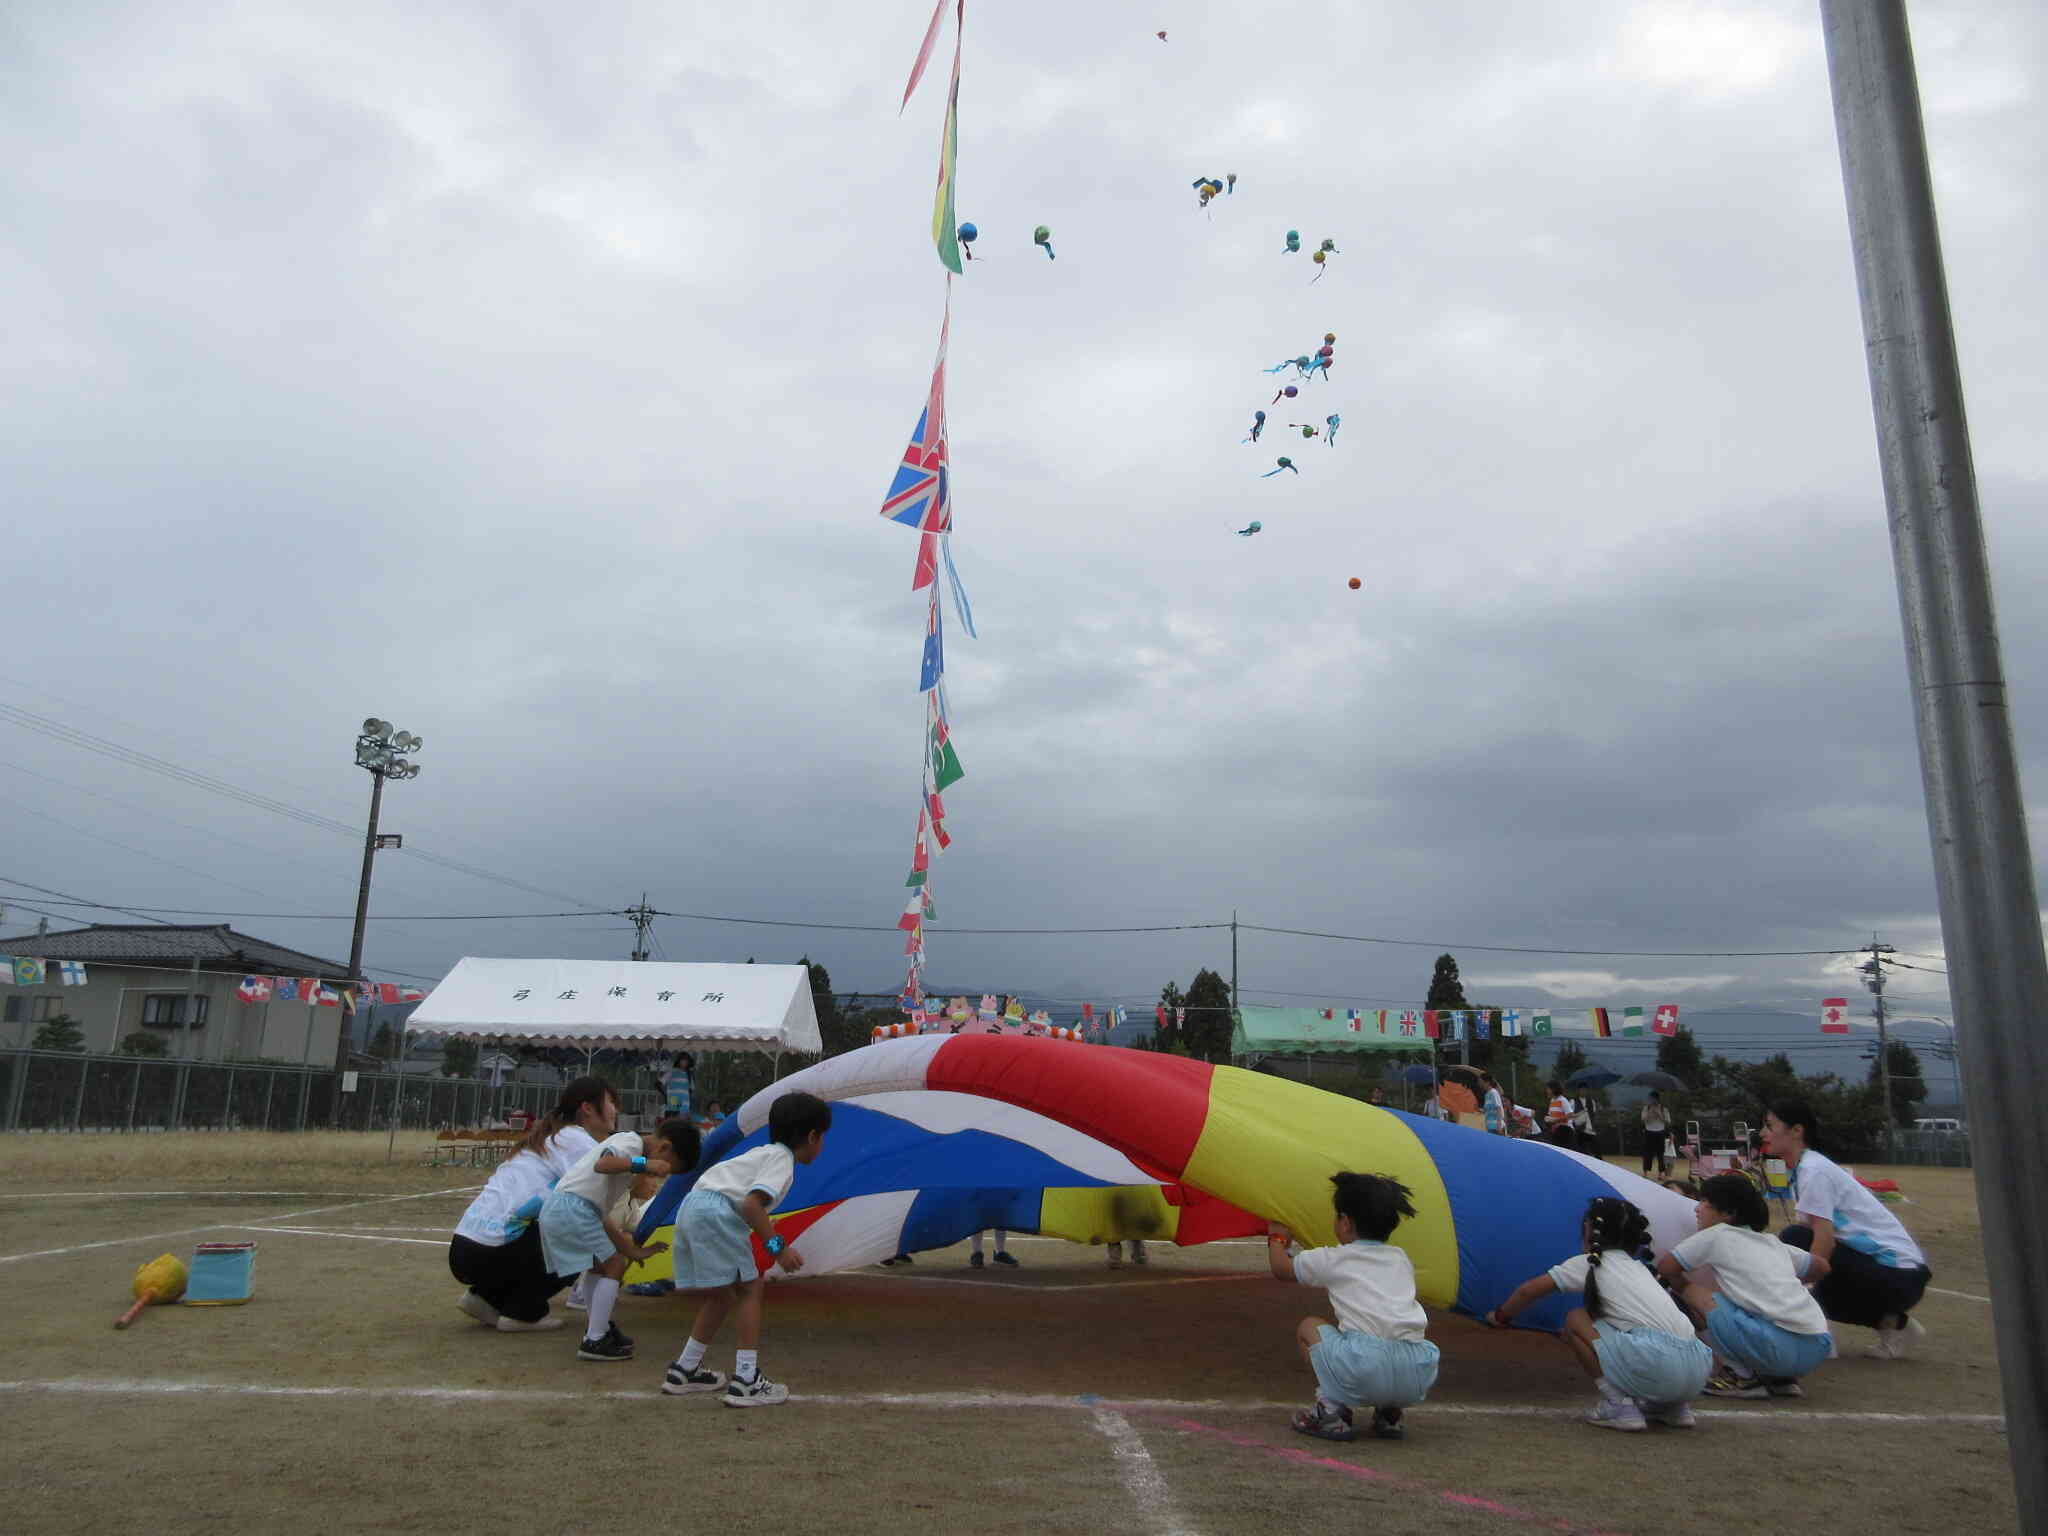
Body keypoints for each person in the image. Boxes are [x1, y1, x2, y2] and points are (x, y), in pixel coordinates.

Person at [662, 1091, 833, 1408]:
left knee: (723, 1294)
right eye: (823, 1137)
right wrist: (777, 1248)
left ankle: (685, 1370)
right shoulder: (782, 1161)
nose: (822, 1145)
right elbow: (752, 1205)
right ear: (812, 1136)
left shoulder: (761, 1153)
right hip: (716, 1211)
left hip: (693, 1207)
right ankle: (746, 1380)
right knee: (751, 1288)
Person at [1488, 1196, 1711, 1431]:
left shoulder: (1590, 1263)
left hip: (1656, 1363)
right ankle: (1673, 1408)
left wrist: (1501, 1316)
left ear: (1588, 1230)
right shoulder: (1642, 1269)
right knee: (1619, 1327)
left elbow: (1528, 1291)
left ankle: (1618, 1405)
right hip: (1697, 1372)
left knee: (1575, 1319)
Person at [1267, 1173, 1440, 1443]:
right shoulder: (1400, 1258)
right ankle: (1389, 1413)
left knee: (1309, 1327)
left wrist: (1277, 1238)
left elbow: (1281, 1269)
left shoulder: (1335, 1258)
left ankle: (1331, 1410)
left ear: (1346, 1223)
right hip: (1417, 1371)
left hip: (1364, 1366)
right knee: (1386, 1337)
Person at [448, 1076, 616, 1332]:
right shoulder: (575, 1139)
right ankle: (523, 1312)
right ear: (588, 1108)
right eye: (611, 1102)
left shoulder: (549, 1136)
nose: (616, 1110)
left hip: (463, 1249)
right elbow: (592, 1204)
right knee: (579, 1236)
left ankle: (483, 1298)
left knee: (546, 1222)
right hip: (491, 1251)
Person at [1765, 1099, 1931, 1358]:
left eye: (1770, 1126)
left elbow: (1823, 1240)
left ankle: (1818, 1336)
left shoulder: (1814, 1170)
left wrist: (1802, 1290)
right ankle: (1896, 1326)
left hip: (1899, 1276)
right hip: (1898, 1277)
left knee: (1795, 1241)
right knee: (1799, 1256)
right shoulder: (1807, 1168)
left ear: (1797, 1131)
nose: (1764, 1133)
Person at [1656, 1172, 1833, 1399]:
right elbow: (1822, 1266)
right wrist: (1782, 1283)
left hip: (1777, 1349)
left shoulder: (1716, 1235)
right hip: (1817, 1346)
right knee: (1741, 1308)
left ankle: (1741, 1376)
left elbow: (1666, 1267)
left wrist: (1683, 1287)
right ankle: (1779, 1379)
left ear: (1728, 1214)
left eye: (1705, 1203)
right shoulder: (1771, 1242)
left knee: (1696, 1296)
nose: (1696, 1209)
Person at [538, 1116, 694, 1363]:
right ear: (664, 1148)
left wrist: (632, 1251)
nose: (659, 1177)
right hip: (572, 1209)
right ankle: (595, 1339)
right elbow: (603, 1163)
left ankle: (598, 1329)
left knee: (600, 1266)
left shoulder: (617, 1174)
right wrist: (646, 1164)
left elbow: (603, 1218)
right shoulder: (630, 1142)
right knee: (614, 1265)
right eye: (667, 1169)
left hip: (570, 1209)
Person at [1640, 1092, 1671, 1177]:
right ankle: (1645, 1172)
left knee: (1660, 1154)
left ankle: (1661, 1173)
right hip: (1649, 1132)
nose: (1651, 1101)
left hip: (1660, 1132)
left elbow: (1668, 1121)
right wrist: (1650, 1112)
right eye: (1650, 1099)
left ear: (1657, 1099)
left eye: (1652, 1099)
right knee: (1647, 1153)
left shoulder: (1664, 1109)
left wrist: (1659, 1113)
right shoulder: (1646, 1108)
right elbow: (1643, 1120)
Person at [1544, 1082, 1575, 1146]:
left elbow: (1570, 1115)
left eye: (1548, 1089)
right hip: (1556, 1130)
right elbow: (1551, 1116)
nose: (1546, 1091)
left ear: (1553, 1090)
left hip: (1565, 1130)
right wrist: (1548, 1119)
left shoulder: (1562, 1100)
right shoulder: (1552, 1101)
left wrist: (1555, 1120)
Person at [1480, 1072, 1506, 1136]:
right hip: (1489, 1127)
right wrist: (1479, 1110)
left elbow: (1498, 1108)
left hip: (1496, 1127)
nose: (1480, 1084)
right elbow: (1487, 1110)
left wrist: (1499, 1126)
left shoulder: (1493, 1092)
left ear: (1487, 1082)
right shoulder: (1487, 1095)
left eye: (1481, 1081)